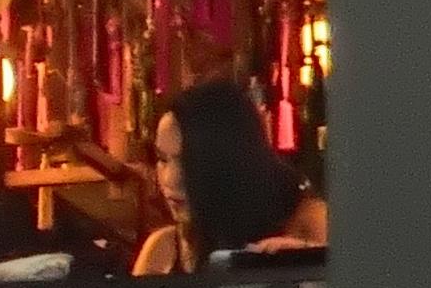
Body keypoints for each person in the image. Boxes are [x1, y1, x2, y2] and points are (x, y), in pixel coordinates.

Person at [132, 76, 311, 274]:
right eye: (162, 159)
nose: (169, 179)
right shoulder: (162, 251)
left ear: (229, 159)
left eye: (188, 161)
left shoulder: (305, 226)